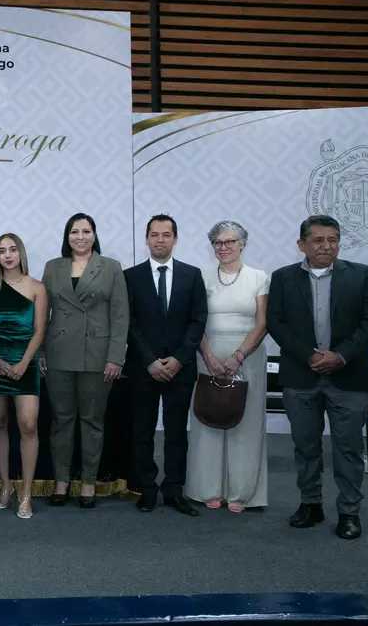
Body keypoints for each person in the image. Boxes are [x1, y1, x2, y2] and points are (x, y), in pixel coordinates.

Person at [267, 215, 368, 540]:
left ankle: (349, 511)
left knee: (347, 449)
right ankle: (310, 503)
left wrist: (340, 355)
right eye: (318, 240)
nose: (326, 246)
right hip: (300, 377)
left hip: (349, 377)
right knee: (306, 447)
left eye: (332, 240)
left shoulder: (361, 275)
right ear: (301, 244)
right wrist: (310, 355)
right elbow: (277, 324)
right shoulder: (283, 278)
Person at [41, 213, 128, 510]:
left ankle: (88, 481)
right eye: (74, 231)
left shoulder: (112, 268)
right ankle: (61, 481)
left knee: (92, 421)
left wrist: (116, 356)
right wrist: (41, 351)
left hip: (98, 355)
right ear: (67, 236)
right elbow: (42, 314)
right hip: (59, 354)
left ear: (94, 235)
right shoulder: (53, 268)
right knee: (61, 421)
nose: (80, 236)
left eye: (86, 231)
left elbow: (120, 316)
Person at [124, 214, 208, 516]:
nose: (160, 239)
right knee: (142, 432)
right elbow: (129, 323)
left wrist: (179, 359)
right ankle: (147, 489)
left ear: (175, 238)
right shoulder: (130, 276)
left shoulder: (192, 275)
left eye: (166, 234)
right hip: (143, 370)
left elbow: (198, 322)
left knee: (176, 433)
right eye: (155, 234)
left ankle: (174, 490)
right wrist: (149, 360)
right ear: (146, 239)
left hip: (180, 369)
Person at [186, 221, 269, 513]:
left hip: (248, 356)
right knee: (207, 419)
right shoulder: (201, 277)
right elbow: (195, 319)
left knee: (245, 423)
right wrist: (209, 356)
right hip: (207, 354)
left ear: (242, 244)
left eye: (230, 242)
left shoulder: (259, 278)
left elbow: (262, 323)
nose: (224, 248)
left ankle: (242, 492)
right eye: (218, 243)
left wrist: (237, 356)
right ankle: (208, 488)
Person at [0, 233, 46, 519]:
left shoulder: (37, 288)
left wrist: (23, 363)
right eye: (1, 250)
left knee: (28, 424)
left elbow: (40, 331)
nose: (7, 255)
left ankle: (26, 493)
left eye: (13, 250)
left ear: (21, 253)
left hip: (26, 363)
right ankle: (6, 486)